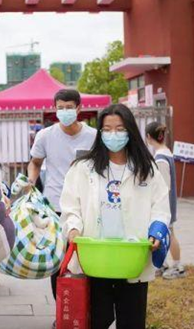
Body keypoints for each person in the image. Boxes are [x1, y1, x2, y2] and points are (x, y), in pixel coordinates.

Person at [60, 104, 171, 329]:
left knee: (132, 321)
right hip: (96, 258)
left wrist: (156, 230)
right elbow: (71, 206)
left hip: (131, 259)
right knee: (97, 320)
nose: (113, 134)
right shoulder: (83, 168)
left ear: (130, 131)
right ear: (100, 133)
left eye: (120, 129)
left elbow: (160, 206)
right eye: (107, 129)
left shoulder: (146, 169)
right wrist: (73, 228)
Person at [27, 89, 97, 309]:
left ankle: (88, 310)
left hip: (87, 206)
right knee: (59, 262)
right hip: (55, 206)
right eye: (60, 107)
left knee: (86, 260)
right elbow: (35, 163)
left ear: (79, 108)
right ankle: (63, 312)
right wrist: (31, 181)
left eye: (69, 107)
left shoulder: (94, 136)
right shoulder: (45, 135)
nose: (64, 111)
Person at [146, 122, 185, 279]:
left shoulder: (160, 158)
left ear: (148, 137)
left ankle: (178, 266)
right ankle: (164, 264)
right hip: (168, 202)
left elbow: (163, 186)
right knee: (166, 232)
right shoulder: (166, 152)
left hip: (165, 204)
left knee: (170, 233)